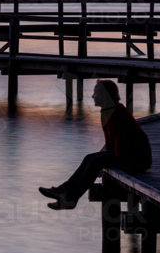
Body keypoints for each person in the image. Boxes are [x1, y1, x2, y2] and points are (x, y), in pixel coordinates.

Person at [40, 79, 152, 210]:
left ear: (105, 95)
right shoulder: (106, 112)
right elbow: (110, 143)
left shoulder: (117, 113)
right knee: (89, 158)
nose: (93, 96)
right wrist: (106, 160)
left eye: (96, 93)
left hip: (137, 159)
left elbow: (122, 145)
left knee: (94, 162)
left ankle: (70, 198)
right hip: (127, 154)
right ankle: (64, 190)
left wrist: (118, 168)